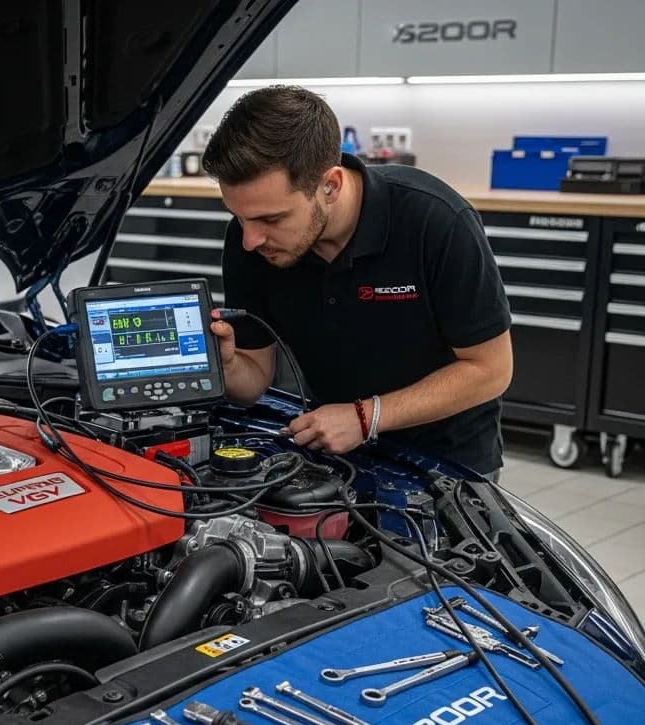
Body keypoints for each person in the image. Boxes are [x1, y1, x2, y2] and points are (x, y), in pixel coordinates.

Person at [202, 85, 513, 479]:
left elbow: (491, 369)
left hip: (448, 465)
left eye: (272, 219)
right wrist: (229, 365)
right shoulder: (251, 243)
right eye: (240, 217)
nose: (250, 239)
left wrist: (366, 417)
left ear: (330, 185)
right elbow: (253, 381)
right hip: (333, 452)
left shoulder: (434, 221)